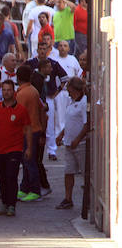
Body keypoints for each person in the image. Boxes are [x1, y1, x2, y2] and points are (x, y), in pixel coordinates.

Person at [0, 80, 33, 216]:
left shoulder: (21, 110)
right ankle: (4, 203)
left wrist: (28, 148)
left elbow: (27, 128)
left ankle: (12, 205)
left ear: (14, 92)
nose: (6, 92)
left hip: (14, 149)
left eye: (9, 90)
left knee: (11, 176)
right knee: (2, 178)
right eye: (4, 90)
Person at [14, 65, 48, 202]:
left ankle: (35, 190)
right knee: (28, 160)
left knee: (29, 161)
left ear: (18, 77)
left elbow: (18, 114)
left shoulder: (22, 94)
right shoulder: (33, 90)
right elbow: (42, 109)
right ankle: (25, 188)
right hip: (35, 129)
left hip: (27, 131)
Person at [54, 77, 88, 210]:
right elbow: (69, 121)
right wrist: (61, 134)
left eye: (68, 88)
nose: (67, 91)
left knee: (85, 173)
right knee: (68, 172)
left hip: (80, 144)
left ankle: (87, 200)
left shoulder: (84, 103)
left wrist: (78, 139)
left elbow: (86, 124)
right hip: (69, 143)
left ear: (74, 89)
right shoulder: (71, 102)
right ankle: (68, 198)